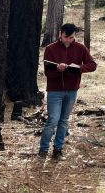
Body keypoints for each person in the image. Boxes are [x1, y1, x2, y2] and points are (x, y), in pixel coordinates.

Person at [38, 23, 96, 158]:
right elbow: (48, 72)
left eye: (71, 37)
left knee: (64, 121)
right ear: (60, 34)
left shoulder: (80, 48)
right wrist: (58, 71)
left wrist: (78, 68)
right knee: (53, 119)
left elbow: (92, 65)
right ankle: (43, 149)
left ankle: (58, 150)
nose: (68, 40)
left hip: (72, 90)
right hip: (54, 90)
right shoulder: (50, 49)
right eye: (66, 37)